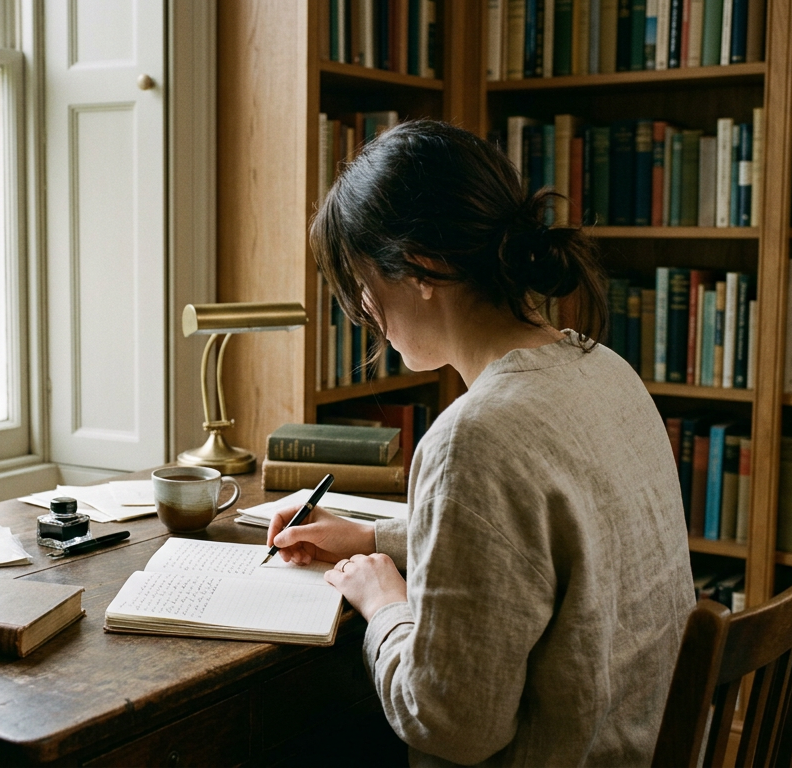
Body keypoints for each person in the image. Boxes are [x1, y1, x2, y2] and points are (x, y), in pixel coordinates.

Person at [267, 120, 694, 767]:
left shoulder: (475, 436)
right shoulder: (604, 368)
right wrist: (372, 538)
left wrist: (385, 603)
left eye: (362, 280)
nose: (362, 304)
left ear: (423, 266)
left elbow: (453, 725)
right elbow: (536, 550)